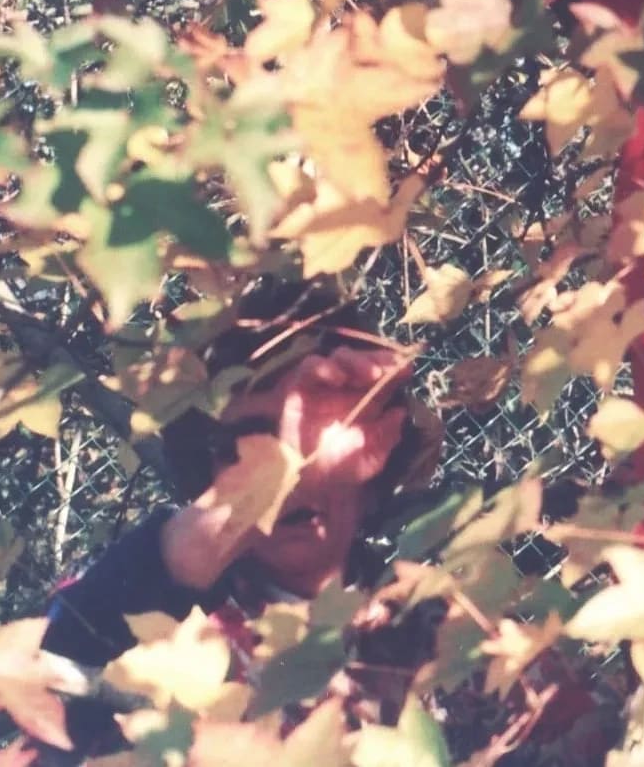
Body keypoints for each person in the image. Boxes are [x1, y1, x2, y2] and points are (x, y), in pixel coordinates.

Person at [38, 281, 436, 757]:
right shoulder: (154, 617)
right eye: (251, 444)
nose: (294, 475)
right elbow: (46, 676)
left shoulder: (444, 628)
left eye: (314, 442)